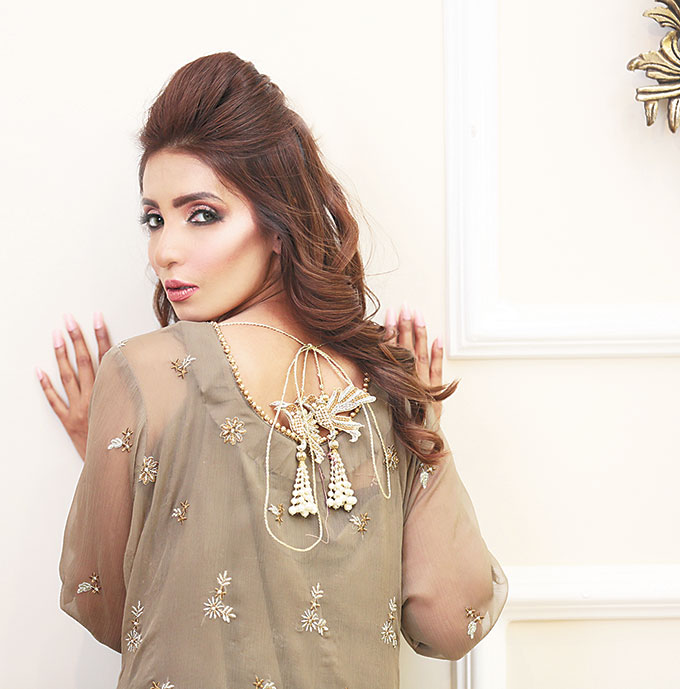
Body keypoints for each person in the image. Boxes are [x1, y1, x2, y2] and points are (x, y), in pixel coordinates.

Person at [37, 52, 508, 688]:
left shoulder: (143, 376)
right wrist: (426, 435)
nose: (163, 250)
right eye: (155, 219)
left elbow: (107, 605)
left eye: (202, 214)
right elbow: (452, 624)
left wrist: (116, 444)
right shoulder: (388, 383)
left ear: (277, 222)